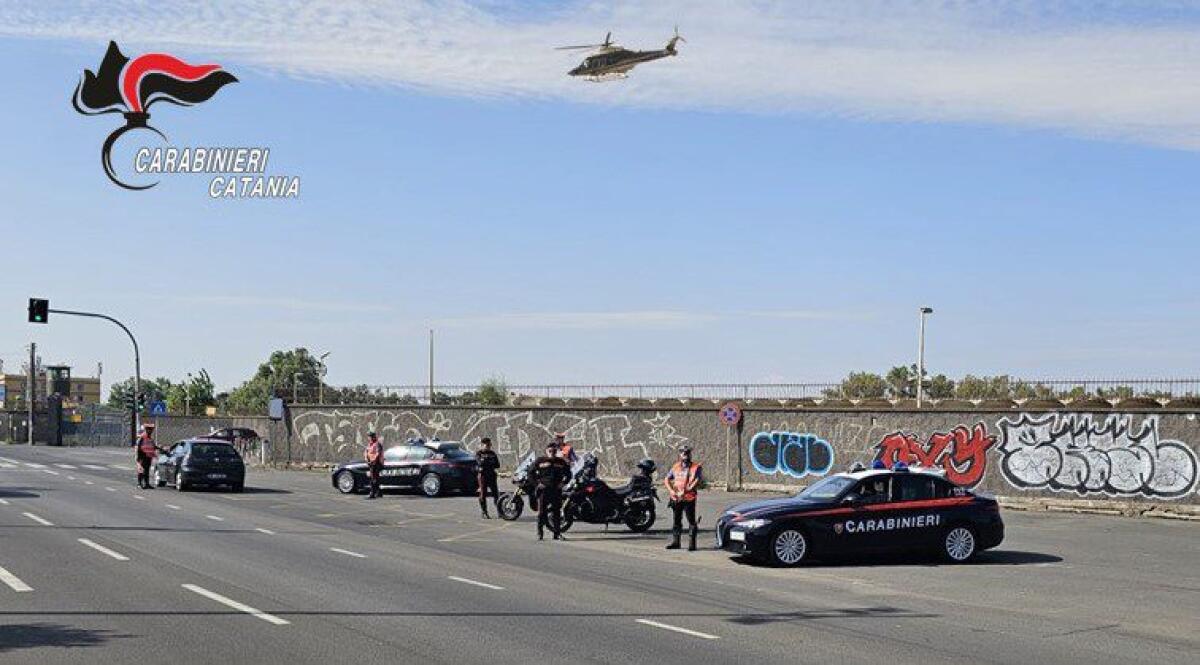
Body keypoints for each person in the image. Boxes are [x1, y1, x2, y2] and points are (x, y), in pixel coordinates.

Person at [664, 445, 703, 551]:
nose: (685, 454)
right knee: (676, 520)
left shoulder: (696, 467)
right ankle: (676, 542)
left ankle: (692, 544)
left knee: (691, 520)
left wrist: (687, 490)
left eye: (687, 453)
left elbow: (697, 480)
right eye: (683, 453)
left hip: (689, 498)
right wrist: (671, 491)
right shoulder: (676, 466)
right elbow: (667, 479)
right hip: (676, 498)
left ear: (690, 454)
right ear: (680, 454)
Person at [533, 442, 571, 540]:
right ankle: (540, 533)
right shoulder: (540, 461)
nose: (552, 453)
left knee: (556, 513)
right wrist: (537, 484)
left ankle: (557, 533)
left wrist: (563, 483)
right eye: (550, 451)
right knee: (541, 513)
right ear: (546, 451)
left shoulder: (561, 462)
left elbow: (569, 474)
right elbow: (530, 473)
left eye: (554, 451)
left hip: (556, 490)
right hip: (544, 490)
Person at [475, 437, 500, 518]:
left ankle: (500, 511)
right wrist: (488, 462)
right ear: (482, 445)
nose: (489, 446)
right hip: (483, 476)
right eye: (487, 445)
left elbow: (497, 464)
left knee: (496, 494)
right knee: (483, 494)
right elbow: (480, 463)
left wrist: (486, 461)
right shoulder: (479, 454)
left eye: (490, 445)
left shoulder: (492, 453)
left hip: (492, 475)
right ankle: (484, 511)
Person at [132, 423, 160, 489]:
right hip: (142, 456)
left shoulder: (150, 438)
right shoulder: (142, 437)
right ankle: (139, 484)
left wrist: (160, 449)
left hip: (148, 456)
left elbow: (153, 446)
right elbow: (137, 447)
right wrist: (138, 457)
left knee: (147, 470)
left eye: (151, 429)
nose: (150, 431)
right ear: (146, 430)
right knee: (141, 470)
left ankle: (147, 484)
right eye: (149, 429)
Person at [364, 430, 384, 499]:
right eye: (368, 437)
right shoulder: (370, 444)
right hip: (371, 463)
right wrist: (366, 458)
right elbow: (366, 452)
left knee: (373, 479)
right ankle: (379, 492)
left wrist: (373, 461)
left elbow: (378, 454)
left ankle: (372, 494)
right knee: (376, 478)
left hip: (376, 463)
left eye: (369, 436)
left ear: (373, 437)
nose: (368, 438)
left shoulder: (377, 444)